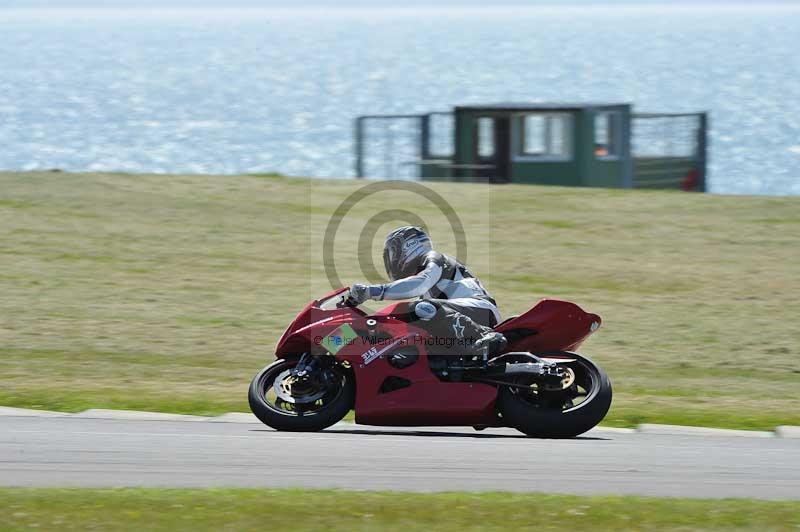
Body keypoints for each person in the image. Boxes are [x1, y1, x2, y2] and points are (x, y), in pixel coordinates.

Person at [347, 226, 507, 361]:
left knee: (420, 308)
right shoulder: (428, 298)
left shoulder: (434, 258)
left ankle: (485, 336)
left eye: (392, 253)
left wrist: (373, 291)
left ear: (408, 246)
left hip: (481, 311)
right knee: (405, 323)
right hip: (456, 316)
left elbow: (420, 284)